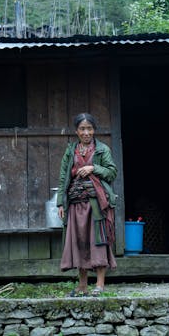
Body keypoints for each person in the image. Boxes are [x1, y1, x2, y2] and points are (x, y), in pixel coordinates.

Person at [57, 112, 117, 296]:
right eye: (82, 129)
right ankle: (82, 285)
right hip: (76, 204)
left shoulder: (102, 150)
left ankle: (99, 285)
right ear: (76, 131)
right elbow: (62, 177)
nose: (86, 132)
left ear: (94, 130)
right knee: (80, 241)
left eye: (89, 128)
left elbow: (112, 172)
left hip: (96, 204)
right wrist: (61, 202)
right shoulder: (71, 151)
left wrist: (93, 168)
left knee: (99, 241)